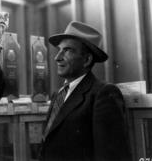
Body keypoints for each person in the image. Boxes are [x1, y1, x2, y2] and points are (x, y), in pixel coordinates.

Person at [39, 21, 131, 161]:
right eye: (59, 50)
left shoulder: (103, 93)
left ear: (87, 59)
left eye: (67, 50)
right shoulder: (58, 94)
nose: (57, 57)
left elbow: (111, 155)